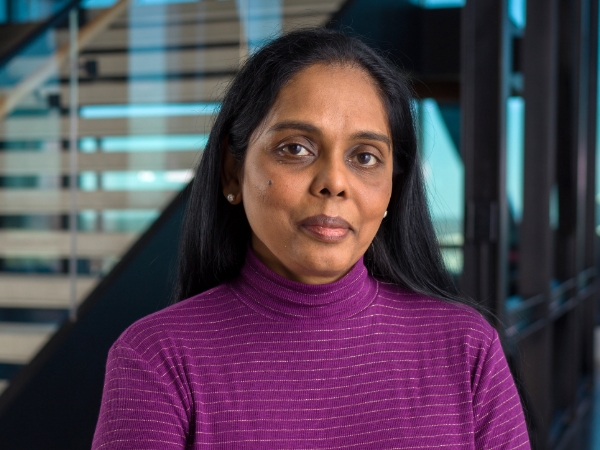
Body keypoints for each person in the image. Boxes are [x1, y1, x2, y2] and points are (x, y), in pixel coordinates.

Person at [92, 28, 530, 449]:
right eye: (295, 148)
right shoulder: (157, 360)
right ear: (232, 170)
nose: (335, 182)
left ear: (392, 189)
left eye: (365, 157)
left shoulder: (467, 349)